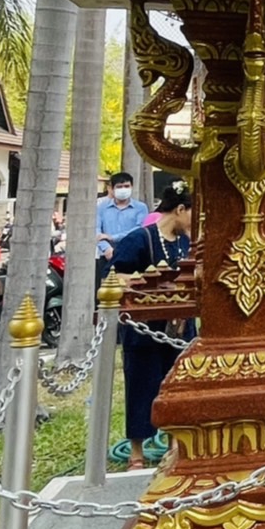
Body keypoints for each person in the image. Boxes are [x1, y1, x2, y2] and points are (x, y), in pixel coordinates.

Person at [111, 184, 194, 469]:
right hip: (144, 329)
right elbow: (114, 277)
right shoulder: (139, 239)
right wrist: (148, 284)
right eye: (192, 214)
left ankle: (174, 444)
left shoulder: (186, 243)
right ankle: (137, 451)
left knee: (178, 386)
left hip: (180, 329)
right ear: (180, 210)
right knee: (141, 386)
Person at [97, 172, 150, 282]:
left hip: (132, 255)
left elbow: (139, 229)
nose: (123, 189)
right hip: (107, 256)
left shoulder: (141, 208)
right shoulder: (102, 207)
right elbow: (96, 230)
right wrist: (106, 248)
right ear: (112, 189)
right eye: (119, 187)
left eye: (126, 186)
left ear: (132, 187)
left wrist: (113, 237)